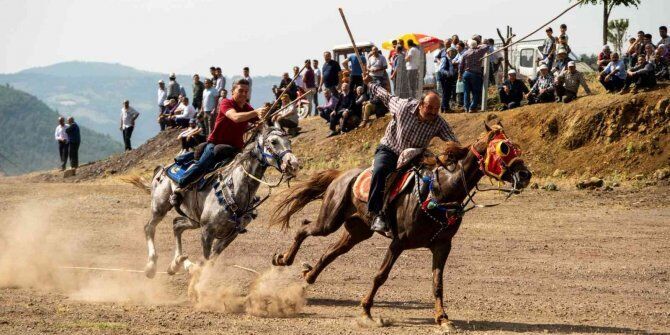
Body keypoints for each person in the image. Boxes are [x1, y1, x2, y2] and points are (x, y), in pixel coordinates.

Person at [363, 73, 458, 234]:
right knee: (380, 171)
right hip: (391, 149)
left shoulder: (438, 122)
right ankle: (376, 213)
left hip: (415, 155)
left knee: (434, 176)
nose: (433, 112)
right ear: (421, 104)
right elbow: (385, 96)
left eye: (437, 109)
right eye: (430, 108)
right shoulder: (403, 107)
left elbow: (452, 141)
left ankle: (433, 211)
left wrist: (460, 151)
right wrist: (369, 83)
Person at [174, 79, 266, 194]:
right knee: (202, 165)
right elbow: (235, 117)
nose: (244, 94)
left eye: (246, 91)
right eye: (240, 91)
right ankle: (180, 186)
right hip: (215, 144)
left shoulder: (247, 108)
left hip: (236, 148)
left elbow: (260, 120)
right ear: (232, 91)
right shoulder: (226, 103)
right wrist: (256, 112)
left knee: (249, 171)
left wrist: (262, 118)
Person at [458, 39, 489, 113]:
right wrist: (480, 45)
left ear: (469, 45)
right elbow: (487, 46)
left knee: (466, 92)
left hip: (466, 73)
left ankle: (466, 108)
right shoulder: (479, 51)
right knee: (476, 92)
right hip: (475, 74)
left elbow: (461, 65)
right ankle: (472, 107)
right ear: (476, 45)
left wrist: (459, 74)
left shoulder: (465, 53)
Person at [438, 47, 457, 112]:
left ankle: (444, 107)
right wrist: (448, 73)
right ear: (448, 52)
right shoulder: (444, 58)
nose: (453, 53)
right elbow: (441, 69)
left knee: (447, 93)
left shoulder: (449, 59)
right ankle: (446, 108)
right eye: (452, 52)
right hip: (445, 78)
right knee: (446, 93)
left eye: (454, 52)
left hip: (449, 78)